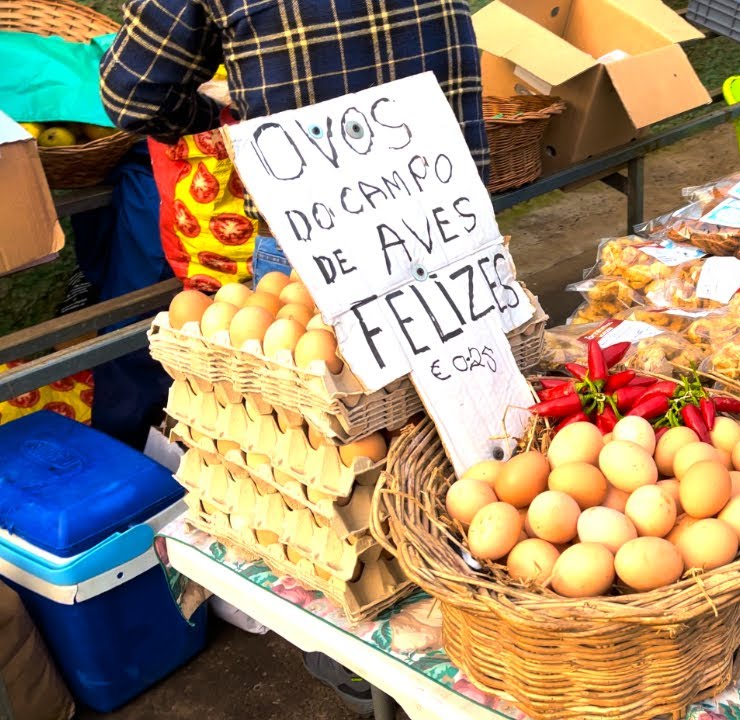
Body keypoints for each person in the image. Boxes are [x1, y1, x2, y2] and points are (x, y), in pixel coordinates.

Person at [101, 0, 489, 714]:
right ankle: (474, 620)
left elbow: (132, 92)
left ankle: (370, 659)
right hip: (443, 207)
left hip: (319, 216)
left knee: (335, 474)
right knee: (459, 436)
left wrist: (220, 112)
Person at [100, 0, 490, 288]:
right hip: (454, 218)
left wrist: (215, 115)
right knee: (474, 372)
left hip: (317, 242)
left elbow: (133, 98)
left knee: (317, 374)